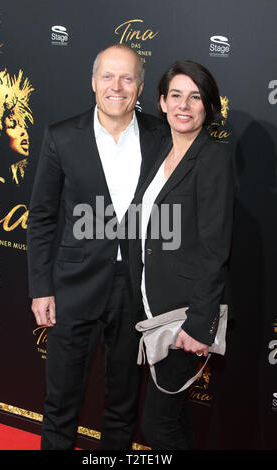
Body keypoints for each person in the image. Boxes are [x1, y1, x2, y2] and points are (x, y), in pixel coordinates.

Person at [26, 44, 167, 450]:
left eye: (127, 78)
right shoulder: (61, 136)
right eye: (107, 76)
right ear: (93, 82)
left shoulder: (162, 137)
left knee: (123, 408)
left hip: (136, 289)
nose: (117, 87)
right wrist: (41, 287)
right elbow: (41, 218)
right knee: (60, 404)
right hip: (72, 287)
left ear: (140, 87)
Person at [128, 60, 235, 449]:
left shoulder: (213, 158)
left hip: (183, 318)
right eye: (176, 95)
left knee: (157, 426)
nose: (184, 106)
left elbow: (214, 249)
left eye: (195, 97)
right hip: (150, 307)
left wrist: (199, 324)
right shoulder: (158, 150)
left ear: (208, 106)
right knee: (172, 419)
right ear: (161, 101)